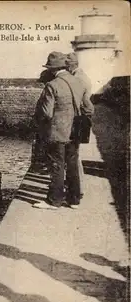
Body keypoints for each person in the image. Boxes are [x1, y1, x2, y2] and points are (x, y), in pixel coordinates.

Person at [33, 51, 85, 210]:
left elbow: (47, 113)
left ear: (52, 69)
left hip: (57, 131)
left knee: (56, 165)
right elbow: (86, 106)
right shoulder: (77, 82)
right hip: (75, 129)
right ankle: (74, 199)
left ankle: (54, 201)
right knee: (72, 164)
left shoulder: (52, 85)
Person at [66, 52, 95, 199]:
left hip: (79, 119)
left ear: (71, 65)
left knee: (74, 155)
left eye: (67, 65)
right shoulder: (83, 76)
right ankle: (79, 186)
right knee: (75, 154)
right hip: (83, 117)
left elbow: (82, 102)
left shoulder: (77, 79)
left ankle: (79, 188)